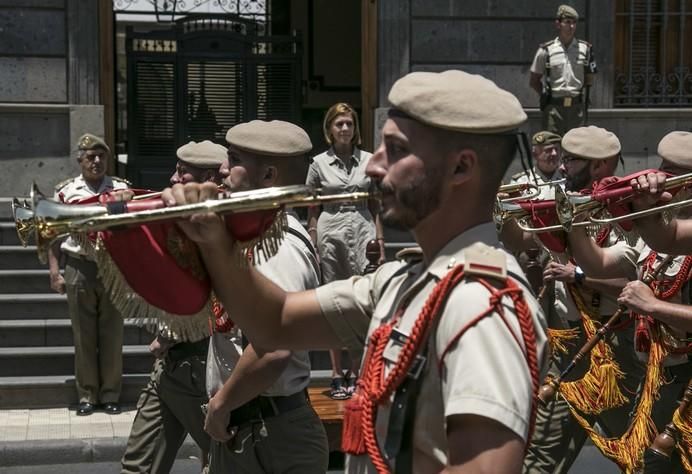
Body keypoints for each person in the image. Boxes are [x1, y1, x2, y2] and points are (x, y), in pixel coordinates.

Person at [163, 70, 549, 473]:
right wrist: (213, 241)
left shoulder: (480, 303)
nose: (373, 167)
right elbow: (275, 321)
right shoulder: (403, 280)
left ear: (460, 169)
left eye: (396, 150)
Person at [500, 126, 645, 473]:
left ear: (599, 166)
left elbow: (635, 285)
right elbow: (518, 241)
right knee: (539, 456)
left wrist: (579, 276)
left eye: (571, 161)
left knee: (639, 454)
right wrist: (503, 210)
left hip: (616, 346)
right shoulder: (560, 201)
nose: (562, 168)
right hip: (571, 343)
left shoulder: (630, 210)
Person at [202, 120, 329, 473]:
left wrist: (220, 406)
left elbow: (273, 348)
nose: (222, 169)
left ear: (269, 175)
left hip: (269, 434)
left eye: (234, 158)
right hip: (253, 426)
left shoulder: (279, 245)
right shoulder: (253, 236)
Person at [563, 131, 692, 473]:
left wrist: (652, 306)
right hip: (657, 378)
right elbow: (599, 262)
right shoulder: (660, 226)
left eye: (673, 172)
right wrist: (573, 221)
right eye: (662, 167)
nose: (660, 178)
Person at [121, 140, 227, 474]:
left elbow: (206, 297)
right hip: (171, 366)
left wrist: (167, 336)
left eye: (182, 172)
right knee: (138, 467)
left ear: (208, 176)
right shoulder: (183, 219)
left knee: (223, 464)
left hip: (201, 365)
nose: (172, 178)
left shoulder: (218, 226)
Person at [306, 102, 385, 400]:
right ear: (329, 129)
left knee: (362, 302)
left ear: (355, 129)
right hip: (331, 233)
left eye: (349, 124)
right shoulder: (318, 164)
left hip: (363, 230)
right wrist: (313, 239)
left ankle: (358, 371)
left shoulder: (369, 161)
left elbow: (377, 204)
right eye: (338, 124)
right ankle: (337, 373)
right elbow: (312, 207)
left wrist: (381, 241)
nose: (344, 129)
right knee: (334, 303)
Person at [48, 133, 130, 416]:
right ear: (80, 161)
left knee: (112, 332)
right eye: (90, 157)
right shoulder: (65, 192)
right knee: (83, 336)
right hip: (78, 266)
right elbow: (53, 234)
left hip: (112, 267)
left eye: (101, 156)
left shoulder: (121, 188)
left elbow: (132, 232)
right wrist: (54, 271)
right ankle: (87, 396)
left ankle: (110, 394)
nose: (96, 161)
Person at [529, 5, 596, 136]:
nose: (571, 27)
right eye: (567, 22)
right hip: (554, 110)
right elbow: (534, 80)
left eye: (574, 23)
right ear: (558, 24)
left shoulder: (585, 49)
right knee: (552, 148)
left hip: (576, 110)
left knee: (576, 149)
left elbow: (589, 78)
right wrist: (545, 95)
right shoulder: (546, 51)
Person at [509, 130, 563, 199]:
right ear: (535, 154)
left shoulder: (568, 178)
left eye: (557, 149)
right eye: (549, 150)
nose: (554, 153)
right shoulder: (521, 181)